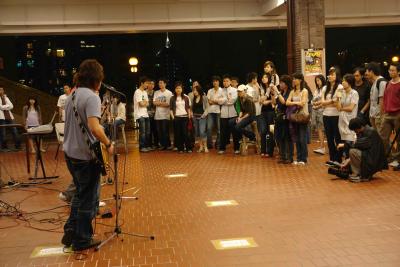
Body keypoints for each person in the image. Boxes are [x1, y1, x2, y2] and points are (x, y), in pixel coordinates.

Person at [62, 59, 114, 251]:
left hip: (70, 154)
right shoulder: (92, 97)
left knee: (79, 193)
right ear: (97, 79)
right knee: (88, 199)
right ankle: (82, 239)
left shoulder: (72, 96)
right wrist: (108, 143)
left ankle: (71, 228)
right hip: (85, 157)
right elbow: (94, 128)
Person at [339, 117, 387, 182]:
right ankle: (359, 174)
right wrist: (348, 160)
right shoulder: (366, 131)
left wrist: (345, 146)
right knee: (351, 150)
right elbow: (360, 146)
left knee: (352, 151)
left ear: (358, 127)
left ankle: (358, 175)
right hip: (371, 157)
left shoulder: (370, 132)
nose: (354, 131)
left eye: (354, 129)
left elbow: (357, 145)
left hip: (373, 160)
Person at [321, 67, 343, 164]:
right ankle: (332, 158)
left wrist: (327, 102)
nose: (330, 76)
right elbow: (322, 102)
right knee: (329, 138)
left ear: (337, 76)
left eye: (332, 74)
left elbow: (337, 102)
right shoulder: (325, 88)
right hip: (326, 115)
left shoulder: (340, 87)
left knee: (337, 137)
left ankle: (338, 158)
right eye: (329, 74)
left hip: (336, 115)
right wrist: (331, 101)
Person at [286, 73, 309, 165]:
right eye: (293, 79)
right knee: (297, 138)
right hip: (294, 117)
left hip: (302, 116)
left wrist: (293, 102)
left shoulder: (304, 91)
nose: (293, 80)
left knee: (302, 138)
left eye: (295, 79)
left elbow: (303, 103)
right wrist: (296, 103)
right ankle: (299, 158)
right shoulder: (292, 91)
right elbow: (287, 102)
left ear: (300, 80)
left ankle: (304, 158)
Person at [380, 62, 400, 166]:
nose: (390, 72)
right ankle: (390, 156)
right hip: (387, 114)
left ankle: (397, 159)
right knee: (383, 137)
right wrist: (383, 111)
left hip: (398, 114)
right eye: (389, 70)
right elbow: (385, 98)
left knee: (399, 138)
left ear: (398, 72)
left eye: (393, 70)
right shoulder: (388, 83)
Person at [336, 74, 359, 159]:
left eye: (344, 81)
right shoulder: (342, 93)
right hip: (342, 120)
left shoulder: (354, 93)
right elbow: (338, 107)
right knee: (345, 143)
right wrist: (338, 97)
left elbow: (351, 108)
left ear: (349, 83)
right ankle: (345, 162)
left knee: (350, 142)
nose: (342, 82)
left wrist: (341, 108)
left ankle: (350, 163)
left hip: (350, 120)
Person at [272, 75, 293, 164]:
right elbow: (274, 103)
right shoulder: (280, 92)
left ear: (287, 84)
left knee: (287, 137)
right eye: (280, 82)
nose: (280, 84)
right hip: (279, 117)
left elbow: (284, 102)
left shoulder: (290, 92)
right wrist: (273, 93)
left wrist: (277, 91)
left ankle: (289, 157)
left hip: (286, 117)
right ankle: (282, 155)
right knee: (279, 137)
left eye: (282, 83)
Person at [231, 85, 256, 154]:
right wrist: (239, 117)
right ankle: (240, 137)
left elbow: (249, 113)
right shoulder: (240, 98)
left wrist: (241, 119)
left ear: (245, 91)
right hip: (244, 116)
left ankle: (252, 136)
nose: (239, 93)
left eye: (240, 91)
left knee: (237, 126)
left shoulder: (249, 99)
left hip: (250, 116)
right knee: (231, 122)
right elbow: (241, 111)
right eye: (238, 91)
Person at [170, 82, 192, 153]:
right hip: (176, 117)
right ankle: (180, 148)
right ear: (175, 89)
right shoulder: (172, 98)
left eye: (179, 88)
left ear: (182, 89)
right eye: (177, 88)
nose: (178, 89)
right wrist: (173, 117)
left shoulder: (186, 97)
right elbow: (170, 109)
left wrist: (189, 117)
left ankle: (188, 148)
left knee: (185, 133)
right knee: (178, 134)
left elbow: (188, 108)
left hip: (185, 117)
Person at [366, 62, 387, 134]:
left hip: (379, 116)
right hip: (373, 115)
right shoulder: (374, 82)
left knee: (382, 137)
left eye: (367, 71)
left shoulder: (381, 82)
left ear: (371, 71)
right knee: (378, 137)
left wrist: (381, 117)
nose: (366, 73)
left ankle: (390, 146)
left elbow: (382, 99)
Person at [218, 75, 238, 154]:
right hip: (223, 114)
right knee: (223, 132)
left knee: (234, 131)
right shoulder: (220, 90)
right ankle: (222, 148)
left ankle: (236, 148)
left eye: (227, 81)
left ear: (230, 82)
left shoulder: (234, 90)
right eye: (224, 81)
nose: (225, 82)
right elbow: (218, 101)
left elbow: (232, 101)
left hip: (233, 114)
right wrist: (226, 99)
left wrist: (224, 100)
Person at [154, 78, 173, 150]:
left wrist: (159, 103)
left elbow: (168, 104)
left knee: (165, 130)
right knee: (159, 131)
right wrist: (162, 103)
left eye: (161, 83)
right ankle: (162, 145)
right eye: (159, 83)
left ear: (165, 84)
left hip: (166, 115)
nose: (160, 84)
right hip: (157, 115)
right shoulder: (156, 92)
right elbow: (154, 102)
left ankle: (167, 145)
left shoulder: (169, 93)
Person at [259, 73, 275, 157]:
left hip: (271, 112)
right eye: (262, 77)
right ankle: (263, 150)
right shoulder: (261, 88)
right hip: (263, 111)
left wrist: (267, 101)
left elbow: (274, 101)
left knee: (270, 131)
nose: (263, 78)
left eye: (265, 77)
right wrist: (264, 101)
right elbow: (260, 101)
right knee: (263, 131)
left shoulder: (272, 87)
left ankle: (269, 151)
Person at [0, 87, 21, 152]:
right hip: (1, 117)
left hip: (9, 116)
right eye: (0, 90)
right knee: (3, 133)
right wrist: (7, 106)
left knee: (15, 131)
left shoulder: (6, 97)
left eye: (2, 89)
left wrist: (4, 107)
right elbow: (0, 107)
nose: (1, 91)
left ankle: (18, 146)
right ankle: (4, 147)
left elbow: (12, 106)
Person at [134, 76, 151, 153]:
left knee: (147, 132)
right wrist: (144, 103)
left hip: (145, 114)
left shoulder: (145, 92)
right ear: (142, 83)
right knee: (143, 132)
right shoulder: (137, 92)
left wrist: (144, 103)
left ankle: (146, 146)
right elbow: (141, 104)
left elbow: (147, 103)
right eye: (146, 83)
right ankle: (142, 147)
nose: (147, 85)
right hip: (139, 115)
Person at [206, 76, 224, 149]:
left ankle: (218, 143)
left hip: (219, 112)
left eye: (216, 81)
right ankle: (209, 144)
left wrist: (215, 101)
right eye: (214, 81)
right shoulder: (210, 91)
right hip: (210, 111)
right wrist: (217, 101)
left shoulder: (222, 90)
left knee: (219, 129)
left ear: (219, 82)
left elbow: (222, 102)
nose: (215, 82)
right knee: (209, 128)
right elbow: (209, 102)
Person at [311, 75, 326, 155]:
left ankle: (323, 147)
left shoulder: (325, 88)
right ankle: (321, 146)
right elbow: (313, 99)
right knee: (319, 128)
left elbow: (323, 100)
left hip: (322, 111)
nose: (318, 82)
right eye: (316, 81)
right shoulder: (317, 89)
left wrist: (317, 104)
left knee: (322, 128)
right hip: (316, 110)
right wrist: (314, 103)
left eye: (319, 80)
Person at [191, 85, 208, 153]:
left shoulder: (204, 97)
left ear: (199, 90)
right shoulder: (193, 98)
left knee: (202, 132)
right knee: (197, 133)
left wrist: (204, 115)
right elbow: (192, 108)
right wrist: (192, 114)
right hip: (195, 117)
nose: (194, 92)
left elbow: (207, 107)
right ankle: (201, 146)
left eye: (195, 90)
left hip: (202, 117)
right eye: (193, 90)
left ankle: (205, 147)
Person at [147, 79, 159, 148]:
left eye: (153, 84)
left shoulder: (156, 93)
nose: (151, 85)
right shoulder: (144, 93)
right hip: (147, 114)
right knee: (149, 130)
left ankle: (156, 143)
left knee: (155, 130)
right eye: (150, 84)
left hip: (155, 114)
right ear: (147, 84)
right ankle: (149, 144)